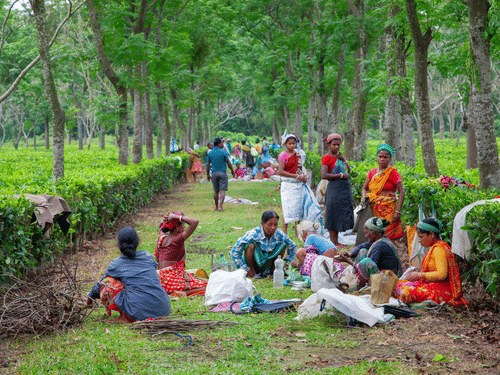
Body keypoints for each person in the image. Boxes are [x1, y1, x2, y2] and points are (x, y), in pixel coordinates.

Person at [86, 227, 171, 323]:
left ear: (119, 245)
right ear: (137, 242)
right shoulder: (147, 256)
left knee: (109, 282)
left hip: (138, 314)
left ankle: (124, 317)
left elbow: (101, 284)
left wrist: (91, 296)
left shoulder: (116, 264)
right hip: (163, 310)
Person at [395, 218, 468, 306]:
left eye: (421, 237)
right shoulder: (435, 248)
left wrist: (419, 275)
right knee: (396, 284)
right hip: (432, 285)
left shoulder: (438, 250)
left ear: (431, 234)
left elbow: (442, 274)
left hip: (442, 290)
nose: (419, 240)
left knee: (405, 293)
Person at [336, 217, 402, 289]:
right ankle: (356, 281)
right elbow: (362, 246)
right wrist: (350, 253)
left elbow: (366, 267)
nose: (365, 235)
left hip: (388, 280)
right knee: (363, 251)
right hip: (383, 274)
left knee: (366, 262)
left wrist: (347, 261)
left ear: (373, 233)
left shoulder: (379, 246)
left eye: (366, 232)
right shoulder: (380, 239)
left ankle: (358, 287)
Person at [155, 212, 208, 297]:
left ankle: (178, 290)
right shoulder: (176, 240)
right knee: (208, 286)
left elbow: (161, 226)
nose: (185, 227)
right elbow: (195, 222)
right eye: (183, 224)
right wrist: (175, 216)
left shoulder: (162, 237)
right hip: (170, 282)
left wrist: (169, 219)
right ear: (176, 228)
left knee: (195, 279)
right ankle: (185, 293)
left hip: (159, 280)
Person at [231, 210, 297, 278]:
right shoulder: (253, 234)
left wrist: (286, 265)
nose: (273, 228)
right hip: (254, 263)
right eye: (269, 225)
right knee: (250, 245)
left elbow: (293, 247)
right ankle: (252, 273)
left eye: (275, 225)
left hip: (268, 265)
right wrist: (245, 268)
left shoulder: (279, 234)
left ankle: (274, 271)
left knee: (283, 244)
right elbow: (235, 252)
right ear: (262, 224)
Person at [361, 144, 405, 240]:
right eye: (380, 156)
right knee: (374, 234)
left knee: (388, 236)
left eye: (386, 157)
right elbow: (364, 188)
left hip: (389, 209)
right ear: (377, 157)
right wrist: (364, 196)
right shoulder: (372, 173)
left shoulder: (393, 173)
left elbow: (402, 191)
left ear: (390, 159)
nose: (382, 159)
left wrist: (398, 211)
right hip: (374, 208)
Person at [321, 133, 354, 247]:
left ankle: (336, 240)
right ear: (329, 145)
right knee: (332, 212)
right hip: (334, 188)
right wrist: (340, 176)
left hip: (344, 188)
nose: (336, 147)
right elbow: (324, 175)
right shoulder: (327, 158)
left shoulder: (340, 157)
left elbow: (348, 171)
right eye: (334, 145)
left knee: (340, 213)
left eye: (338, 145)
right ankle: (332, 241)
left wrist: (344, 160)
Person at [278, 133, 308, 234]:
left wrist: (303, 176)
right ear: (285, 144)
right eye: (289, 143)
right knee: (286, 208)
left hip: (297, 185)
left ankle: (297, 232)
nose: (291, 145)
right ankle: (285, 232)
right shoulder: (283, 155)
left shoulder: (298, 154)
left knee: (298, 208)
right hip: (288, 185)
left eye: (293, 143)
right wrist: (296, 176)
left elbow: (300, 168)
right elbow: (281, 171)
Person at [206, 138, 235, 212]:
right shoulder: (224, 152)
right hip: (222, 173)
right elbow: (228, 163)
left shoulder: (210, 153)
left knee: (216, 191)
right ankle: (220, 207)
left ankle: (216, 207)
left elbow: (207, 165)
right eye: (222, 143)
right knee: (222, 191)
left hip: (214, 173)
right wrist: (232, 171)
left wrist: (207, 175)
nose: (223, 144)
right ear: (219, 144)